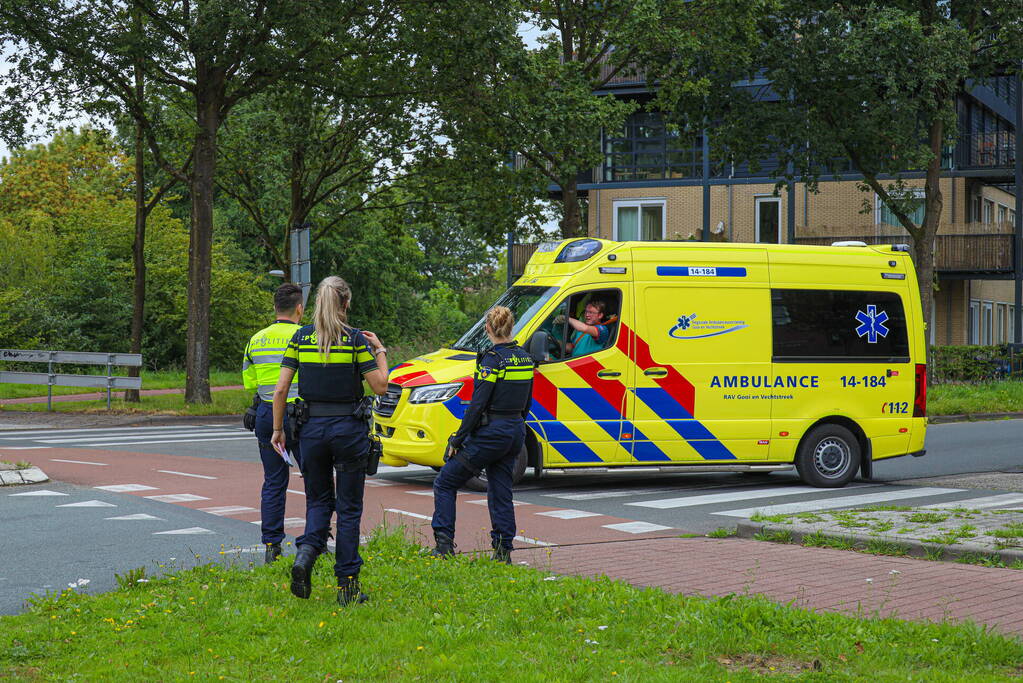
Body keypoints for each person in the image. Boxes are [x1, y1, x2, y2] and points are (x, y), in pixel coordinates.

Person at [270, 276, 389, 607]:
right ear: (346, 303)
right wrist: (380, 351)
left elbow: (280, 390)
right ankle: (347, 586)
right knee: (348, 509)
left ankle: (306, 554)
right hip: (348, 431)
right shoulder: (354, 340)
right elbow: (380, 385)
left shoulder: (300, 338)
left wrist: (278, 429)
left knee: (319, 501)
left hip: (310, 431)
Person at [431, 305, 535, 564]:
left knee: (445, 481)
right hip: (515, 431)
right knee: (501, 491)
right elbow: (527, 402)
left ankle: (443, 545)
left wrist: (458, 439)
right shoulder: (525, 358)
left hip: (492, 433)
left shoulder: (491, 360)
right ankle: (503, 552)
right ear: (511, 327)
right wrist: (514, 425)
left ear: (488, 328)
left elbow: (477, 404)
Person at [242, 283, 303, 565]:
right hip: (302, 415)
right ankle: (315, 542)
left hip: (267, 413)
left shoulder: (256, 340)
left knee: (274, 482)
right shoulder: (305, 336)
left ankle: (272, 546)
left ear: (275, 308)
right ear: (299, 309)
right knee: (317, 482)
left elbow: (250, 383)